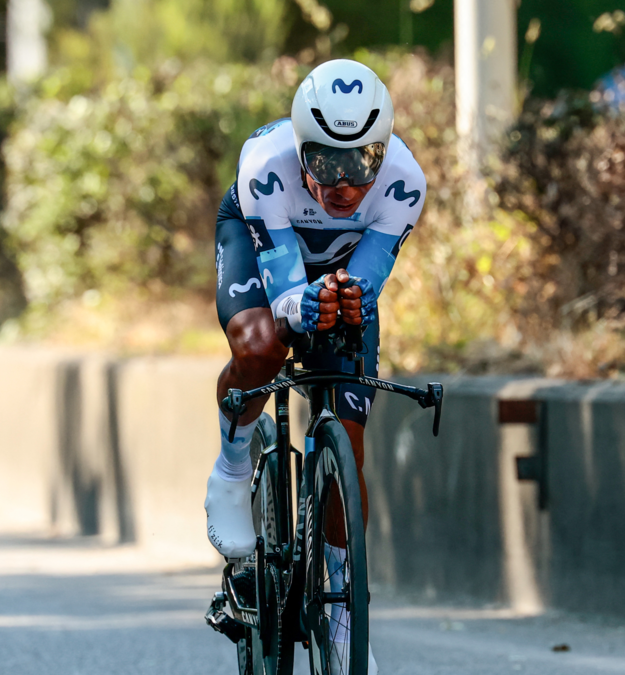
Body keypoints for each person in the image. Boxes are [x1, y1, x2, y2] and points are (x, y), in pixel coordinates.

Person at [206, 58, 424, 672]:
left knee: (349, 440)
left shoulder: (406, 181)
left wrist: (347, 297)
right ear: (300, 147)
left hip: (337, 275)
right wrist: (300, 303)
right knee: (260, 347)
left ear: (382, 153)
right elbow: (280, 289)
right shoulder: (265, 166)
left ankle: (339, 606)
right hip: (263, 252)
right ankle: (230, 467)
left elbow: (369, 277)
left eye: (361, 163)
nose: (343, 184)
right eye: (324, 161)